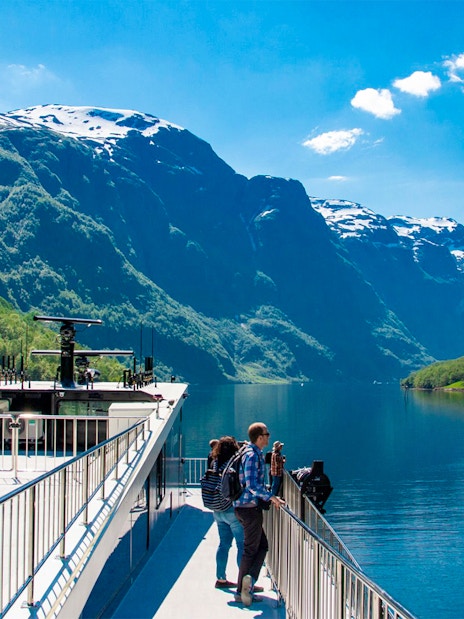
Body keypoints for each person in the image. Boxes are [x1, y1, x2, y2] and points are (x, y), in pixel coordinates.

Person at [233, 422, 285, 606]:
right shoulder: (252, 455)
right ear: (259, 437)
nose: (269, 436)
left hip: (244, 507)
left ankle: (249, 582)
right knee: (251, 549)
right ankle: (242, 590)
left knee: (262, 546)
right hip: (249, 509)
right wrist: (272, 498)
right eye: (267, 433)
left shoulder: (251, 453)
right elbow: (252, 485)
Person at [210, 436, 245, 589]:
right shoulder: (233, 464)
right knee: (242, 545)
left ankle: (221, 579)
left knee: (223, 544)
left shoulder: (215, 462)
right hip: (231, 509)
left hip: (217, 510)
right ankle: (243, 582)